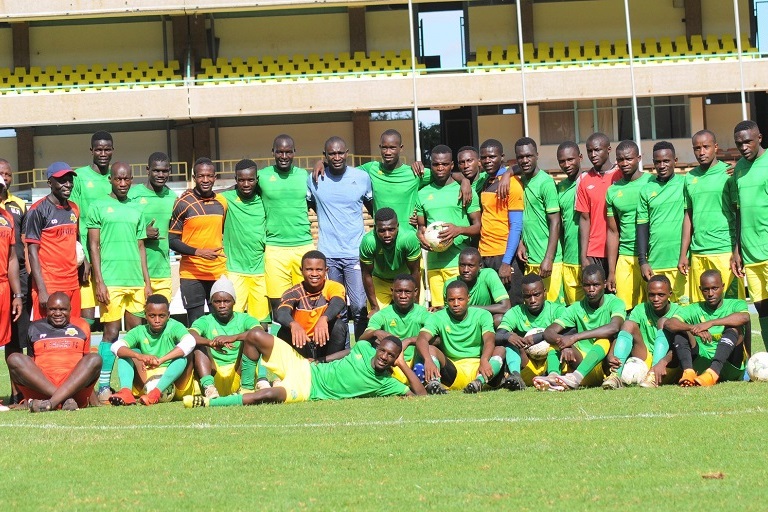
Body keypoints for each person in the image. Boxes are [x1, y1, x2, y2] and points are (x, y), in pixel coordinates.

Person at [184, 330, 426, 407]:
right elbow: (357, 345)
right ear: (377, 347)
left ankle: (209, 403)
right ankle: (245, 386)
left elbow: (420, 396)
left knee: (268, 395)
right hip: (302, 366)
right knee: (256, 335)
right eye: (382, 350)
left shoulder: (386, 383)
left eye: (390, 356)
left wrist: (403, 363)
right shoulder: (364, 347)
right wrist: (320, 360)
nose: (384, 357)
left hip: (307, 388)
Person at [87, 162, 151, 401]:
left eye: (127, 179)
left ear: (132, 180)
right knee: (111, 333)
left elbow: (141, 246)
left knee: (135, 333)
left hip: (135, 281)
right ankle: (104, 385)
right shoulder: (98, 206)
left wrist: (147, 282)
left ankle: (130, 386)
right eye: (118, 179)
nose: (123, 184)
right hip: (111, 280)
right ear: (111, 180)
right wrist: (99, 281)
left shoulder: (137, 208)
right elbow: (93, 245)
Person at [308, 136, 373, 340]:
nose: (337, 157)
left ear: (347, 154)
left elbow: (372, 207)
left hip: (354, 253)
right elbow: (310, 205)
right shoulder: (314, 179)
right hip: (328, 255)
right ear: (325, 156)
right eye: (332, 153)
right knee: (337, 308)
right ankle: (343, 353)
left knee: (359, 306)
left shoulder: (361, 177)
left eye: (340, 152)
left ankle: (361, 351)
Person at [535, 264, 625, 391]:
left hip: (602, 365)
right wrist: (564, 344)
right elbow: (549, 332)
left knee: (603, 340)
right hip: (578, 362)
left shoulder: (615, 302)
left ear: (604, 284)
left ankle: (575, 378)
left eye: (596, 285)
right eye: (587, 285)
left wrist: (574, 338)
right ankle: (553, 377)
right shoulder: (576, 308)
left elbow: (614, 327)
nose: (591, 289)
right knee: (555, 343)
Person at [7, 293, 100, 412]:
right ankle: (63, 399)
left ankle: (50, 403)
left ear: (70, 310)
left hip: (74, 389)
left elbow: (86, 367)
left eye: (63, 309)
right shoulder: (34, 327)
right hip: (43, 389)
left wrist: (94, 398)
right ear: (46, 310)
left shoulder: (82, 326)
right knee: (14, 358)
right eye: (53, 309)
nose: (57, 313)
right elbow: (31, 364)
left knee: (95, 359)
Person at [679, 130, 742, 301]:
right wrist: (683, 253)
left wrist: (737, 250)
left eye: (706, 147)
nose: (701, 152)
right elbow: (688, 216)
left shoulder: (729, 173)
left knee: (733, 305)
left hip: (724, 251)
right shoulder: (690, 177)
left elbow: (739, 213)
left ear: (715, 147)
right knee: (701, 307)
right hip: (698, 252)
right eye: (697, 148)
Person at [416, 145, 481, 308]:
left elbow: (478, 226)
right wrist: (421, 236)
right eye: (436, 164)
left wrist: (458, 230)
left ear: (452, 165)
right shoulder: (422, 193)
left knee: (459, 312)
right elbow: (421, 226)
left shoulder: (465, 190)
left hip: (458, 264)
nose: (440, 168)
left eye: (444, 164)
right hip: (434, 265)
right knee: (438, 312)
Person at [415, 280, 505, 394]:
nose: (456, 303)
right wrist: (428, 360)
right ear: (446, 300)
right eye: (451, 300)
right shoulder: (437, 317)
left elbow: (489, 340)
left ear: (468, 298)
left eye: (460, 299)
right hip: (453, 371)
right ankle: (435, 384)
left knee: (500, 349)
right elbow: (421, 339)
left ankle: (478, 383)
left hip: (481, 368)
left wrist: (484, 359)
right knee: (430, 349)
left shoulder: (482, 314)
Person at [259, 135, 314, 315]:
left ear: (294, 153)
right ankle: (282, 343)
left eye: (288, 152)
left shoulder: (304, 175)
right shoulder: (263, 176)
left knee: (307, 301)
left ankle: (307, 342)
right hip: (275, 248)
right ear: (273, 152)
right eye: (280, 151)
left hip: (303, 245)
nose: (284, 156)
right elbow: (237, 188)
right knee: (279, 303)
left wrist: (322, 162)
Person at [663, 270, 749, 386]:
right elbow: (670, 323)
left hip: (730, 364)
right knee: (680, 332)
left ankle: (713, 372)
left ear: (722, 286)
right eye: (706, 289)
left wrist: (711, 323)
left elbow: (744, 317)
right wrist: (693, 328)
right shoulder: (694, 308)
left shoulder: (736, 304)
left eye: (715, 288)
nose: (710, 293)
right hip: (702, 363)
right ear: (700, 289)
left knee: (734, 329)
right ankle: (688, 372)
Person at [169, 157, 228, 324]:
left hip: (217, 272)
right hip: (191, 273)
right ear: (194, 178)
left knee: (220, 321)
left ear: (215, 177)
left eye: (209, 176)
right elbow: (172, 241)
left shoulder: (222, 202)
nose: (205, 180)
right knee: (196, 322)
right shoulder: (183, 203)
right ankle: (198, 351)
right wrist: (198, 252)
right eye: (201, 176)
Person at [109, 294, 196, 405]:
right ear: (145, 315)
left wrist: (161, 360)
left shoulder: (175, 326)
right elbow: (115, 347)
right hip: (146, 377)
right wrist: (140, 356)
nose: (157, 320)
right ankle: (126, 392)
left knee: (184, 356)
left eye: (162, 316)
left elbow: (190, 342)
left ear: (168, 315)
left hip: (175, 378)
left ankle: (155, 393)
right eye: (152, 316)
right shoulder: (139, 331)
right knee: (126, 353)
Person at [600, 275, 681, 389]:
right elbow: (624, 333)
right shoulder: (640, 309)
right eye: (651, 295)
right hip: (644, 355)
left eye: (661, 295)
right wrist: (611, 354)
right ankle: (615, 375)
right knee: (628, 324)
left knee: (664, 322)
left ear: (670, 294)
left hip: (666, 363)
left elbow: (681, 344)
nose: (656, 299)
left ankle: (653, 376)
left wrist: (663, 362)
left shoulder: (679, 312)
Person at [25, 162, 82, 319]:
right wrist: (42, 289)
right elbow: (32, 252)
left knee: (72, 329)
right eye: (62, 180)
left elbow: (75, 243)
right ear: (50, 182)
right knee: (45, 334)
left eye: (70, 180)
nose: (68, 185)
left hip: (72, 282)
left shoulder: (74, 209)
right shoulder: (37, 210)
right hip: (49, 283)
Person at [190, 276, 262, 398]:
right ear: (212, 302)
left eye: (226, 301)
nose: (222, 305)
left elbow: (259, 332)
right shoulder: (205, 320)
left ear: (234, 301)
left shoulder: (244, 318)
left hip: (239, 372)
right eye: (217, 302)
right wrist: (210, 342)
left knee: (252, 339)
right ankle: (209, 388)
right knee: (197, 344)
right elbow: (190, 335)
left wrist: (234, 337)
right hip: (213, 374)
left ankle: (246, 387)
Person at [70, 131, 114, 327]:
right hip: (88, 254)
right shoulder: (79, 176)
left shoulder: (117, 178)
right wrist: (83, 258)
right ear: (91, 151)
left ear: (112, 150)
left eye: (107, 149)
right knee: (86, 313)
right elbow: (73, 217)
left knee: (111, 312)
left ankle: (105, 357)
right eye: (99, 149)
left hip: (111, 258)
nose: (103, 153)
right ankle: (83, 354)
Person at [636, 141, 689, 305]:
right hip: (656, 262)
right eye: (658, 162)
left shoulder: (684, 184)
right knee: (658, 311)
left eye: (666, 161)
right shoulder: (646, 189)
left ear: (675, 161)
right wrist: (643, 261)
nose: (662, 165)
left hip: (681, 262)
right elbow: (642, 227)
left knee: (684, 310)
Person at [730, 120, 768, 345]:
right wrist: (737, 250)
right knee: (762, 308)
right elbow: (739, 212)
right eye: (739, 144)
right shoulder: (739, 169)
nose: (743, 147)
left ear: (759, 138)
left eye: (747, 142)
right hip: (750, 253)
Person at [274, 250, 348, 361]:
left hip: (324, 343)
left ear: (326, 271)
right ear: (301, 271)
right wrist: (293, 324)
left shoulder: (334, 287)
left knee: (339, 326)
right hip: (302, 342)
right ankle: (295, 367)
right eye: (309, 269)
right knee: (284, 331)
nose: (314, 274)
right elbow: (281, 313)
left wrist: (324, 319)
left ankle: (328, 367)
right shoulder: (293, 292)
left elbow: (338, 302)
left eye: (319, 270)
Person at [496, 273, 566, 390]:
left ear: (544, 292)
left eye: (536, 294)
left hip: (553, 363)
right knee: (509, 342)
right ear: (523, 296)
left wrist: (541, 336)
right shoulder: (516, 313)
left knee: (557, 340)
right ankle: (516, 376)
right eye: (527, 296)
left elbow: (572, 332)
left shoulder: (556, 310)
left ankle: (553, 376)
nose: (532, 300)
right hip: (527, 365)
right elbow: (497, 336)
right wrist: (508, 336)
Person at [220, 159, 269, 325]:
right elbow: (205, 196)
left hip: (260, 270)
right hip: (234, 270)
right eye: (241, 180)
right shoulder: (226, 198)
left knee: (260, 321)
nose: (246, 184)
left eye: (250, 179)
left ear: (257, 179)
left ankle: (261, 351)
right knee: (233, 318)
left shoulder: (265, 199)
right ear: (235, 179)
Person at [516, 137, 563, 303]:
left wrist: (548, 259)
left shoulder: (546, 183)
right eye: (520, 157)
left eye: (528, 156)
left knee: (554, 309)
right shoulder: (521, 180)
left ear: (537, 155)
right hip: (531, 260)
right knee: (535, 309)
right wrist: (520, 242)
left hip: (550, 262)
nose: (525, 160)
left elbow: (555, 222)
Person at [605, 140, 652, 310]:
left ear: (639, 158)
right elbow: (612, 232)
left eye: (629, 159)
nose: (624, 163)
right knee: (624, 309)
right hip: (625, 257)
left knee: (653, 307)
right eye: (620, 160)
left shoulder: (652, 182)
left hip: (650, 255)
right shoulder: (612, 190)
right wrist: (611, 271)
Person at [359, 274, 430, 384]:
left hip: (415, 361)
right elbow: (361, 340)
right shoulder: (382, 315)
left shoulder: (423, 313)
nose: (402, 295)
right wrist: (375, 332)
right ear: (392, 292)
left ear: (415, 292)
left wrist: (410, 340)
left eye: (407, 291)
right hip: (391, 364)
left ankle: (431, 381)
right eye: (398, 291)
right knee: (365, 349)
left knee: (432, 349)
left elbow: (438, 338)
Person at [477, 139, 524, 305]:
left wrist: (506, 262)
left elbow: (516, 225)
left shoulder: (512, 184)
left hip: (504, 255)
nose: (487, 161)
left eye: (492, 156)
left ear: (502, 157)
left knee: (512, 307)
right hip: (485, 254)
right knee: (491, 308)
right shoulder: (485, 182)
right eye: (484, 157)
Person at [127, 152, 178, 302]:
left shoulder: (173, 197)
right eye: (156, 170)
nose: (161, 174)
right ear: (147, 169)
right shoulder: (133, 195)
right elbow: (122, 230)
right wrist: (143, 233)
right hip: (137, 272)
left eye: (165, 170)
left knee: (160, 319)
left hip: (163, 271)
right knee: (138, 321)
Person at [0, 159, 31, 403]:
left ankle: (18, 393)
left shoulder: (16, 208)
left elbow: (18, 248)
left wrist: (18, 292)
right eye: (1, 175)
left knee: (16, 338)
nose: (5, 179)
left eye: (8, 175)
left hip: (15, 278)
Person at [359, 208, 421, 312]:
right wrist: (374, 307)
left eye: (391, 229)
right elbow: (366, 275)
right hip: (380, 280)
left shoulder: (409, 238)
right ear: (375, 228)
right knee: (375, 320)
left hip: (406, 281)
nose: (387, 234)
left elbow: (415, 272)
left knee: (416, 317)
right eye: (382, 230)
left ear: (397, 226)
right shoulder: (368, 242)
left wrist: (415, 303)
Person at [576, 133, 621, 274]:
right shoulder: (584, 180)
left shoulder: (621, 174)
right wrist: (584, 255)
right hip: (594, 251)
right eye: (589, 151)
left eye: (597, 150)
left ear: (608, 149)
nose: (593, 155)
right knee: (596, 295)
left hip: (620, 249)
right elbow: (584, 219)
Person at [446, 247, 510, 326]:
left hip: (484, 321)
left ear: (480, 266)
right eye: (462, 265)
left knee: (499, 319)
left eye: (470, 266)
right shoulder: (450, 284)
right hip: (459, 324)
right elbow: (447, 312)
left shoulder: (488, 275)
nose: (465, 270)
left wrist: (468, 307)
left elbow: (505, 307)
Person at [555, 141, 584, 305]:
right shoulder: (560, 188)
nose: (566, 165)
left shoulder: (589, 182)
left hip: (591, 258)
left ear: (580, 157)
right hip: (569, 258)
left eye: (570, 159)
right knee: (573, 310)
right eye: (562, 161)